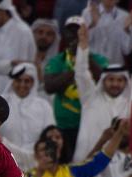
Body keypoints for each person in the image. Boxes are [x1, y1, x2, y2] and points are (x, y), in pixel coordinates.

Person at [73, 25, 130, 177]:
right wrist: (83, 46)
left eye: (119, 80)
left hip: (122, 172)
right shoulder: (90, 98)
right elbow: (80, 73)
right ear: (104, 81)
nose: (115, 84)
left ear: (126, 82)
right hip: (90, 168)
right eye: (111, 80)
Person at [44, 16, 109, 155]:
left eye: (78, 32)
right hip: (64, 123)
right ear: (64, 35)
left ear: (86, 35)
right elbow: (49, 87)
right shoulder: (57, 60)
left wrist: (84, 56)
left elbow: (104, 82)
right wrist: (77, 69)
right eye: (70, 32)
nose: (74, 35)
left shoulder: (99, 59)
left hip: (91, 123)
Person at [0, 63, 54, 170]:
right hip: (5, 161)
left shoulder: (43, 106)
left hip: (36, 163)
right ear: (12, 82)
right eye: (18, 80)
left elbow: (50, 136)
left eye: (27, 81)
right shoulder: (0, 103)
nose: (22, 84)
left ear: (33, 83)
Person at [0, 0, 36, 94]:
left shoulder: (22, 32)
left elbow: (23, 65)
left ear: (1, 11)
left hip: (12, 88)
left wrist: (5, 65)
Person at [81, 0, 132, 65]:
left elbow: (127, 50)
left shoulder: (125, 16)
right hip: (93, 66)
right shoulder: (88, 13)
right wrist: (93, 24)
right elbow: (83, 42)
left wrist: (126, 30)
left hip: (115, 67)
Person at [31, 18, 60, 94]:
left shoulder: (58, 62)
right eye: (40, 32)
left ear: (54, 38)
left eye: (49, 34)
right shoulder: (22, 56)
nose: (44, 36)